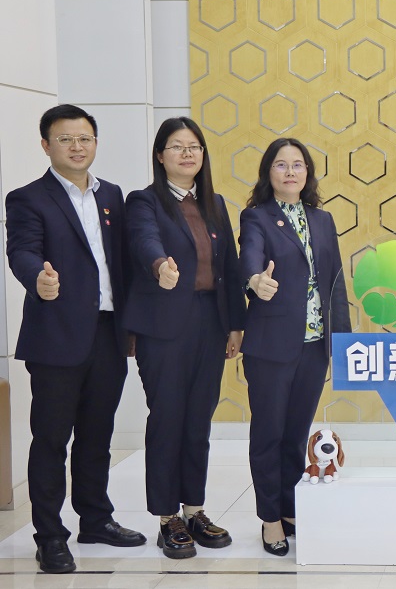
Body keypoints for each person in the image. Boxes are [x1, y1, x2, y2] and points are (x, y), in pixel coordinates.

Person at [5, 104, 147, 574]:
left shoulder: (112, 196)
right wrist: (38, 279)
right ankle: (49, 535)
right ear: (46, 145)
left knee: (97, 434)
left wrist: (132, 322)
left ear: (95, 143)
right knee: (51, 439)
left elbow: (120, 262)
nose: (76, 146)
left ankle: (96, 519)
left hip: (108, 333)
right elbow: (22, 251)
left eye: (84, 138)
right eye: (65, 139)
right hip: (57, 336)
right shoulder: (27, 198)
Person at [122, 117, 245, 559]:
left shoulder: (214, 204)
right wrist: (161, 266)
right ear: (160, 156)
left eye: (194, 146)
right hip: (163, 326)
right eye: (176, 146)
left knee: (198, 421)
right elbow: (144, 241)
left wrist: (235, 324)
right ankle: (166, 517)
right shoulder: (144, 201)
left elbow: (229, 266)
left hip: (210, 322)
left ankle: (194, 510)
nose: (187, 153)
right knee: (168, 418)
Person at [239, 137, 350, 556]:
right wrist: (255, 280)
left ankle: (289, 508)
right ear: (268, 172)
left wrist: (341, 341)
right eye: (281, 164)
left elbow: (335, 282)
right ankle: (270, 519)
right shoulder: (257, 216)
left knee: (295, 434)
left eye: (297, 164)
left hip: (314, 345)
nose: (290, 171)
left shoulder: (322, 219)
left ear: (308, 173)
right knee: (268, 434)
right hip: (271, 345)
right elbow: (249, 255)